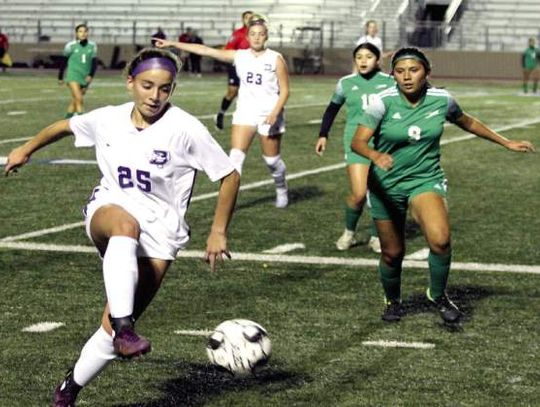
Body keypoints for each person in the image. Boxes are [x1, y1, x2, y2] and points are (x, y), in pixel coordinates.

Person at [4, 47, 240, 406]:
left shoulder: (186, 129)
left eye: (165, 88)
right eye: (147, 85)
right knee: (124, 227)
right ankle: (126, 329)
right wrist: (26, 148)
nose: (155, 96)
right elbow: (64, 126)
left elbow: (229, 176)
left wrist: (218, 230)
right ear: (130, 82)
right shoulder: (109, 118)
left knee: (107, 330)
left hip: (161, 233)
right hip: (108, 210)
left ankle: (68, 391)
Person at [351, 47, 535, 324]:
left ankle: (437, 295)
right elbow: (358, 142)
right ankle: (392, 300)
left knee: (440, 239)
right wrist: (375, 155)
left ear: (427, 72)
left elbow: (467, 121)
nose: (407, 77)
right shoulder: (382, 103)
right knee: (392, 253)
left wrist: (506, 141)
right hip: (385, 186)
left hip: (425, 179)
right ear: (393, 75)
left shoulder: (442, 100)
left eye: (414, 70)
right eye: (400, 72)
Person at [154, 14, 290, 208]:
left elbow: (285, 90)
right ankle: (229, 202)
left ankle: (281, 187)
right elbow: (205, 50)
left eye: (261, 34)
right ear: (248, 37)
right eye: (253, 34)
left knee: (271, 160)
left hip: (269, 114)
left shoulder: (276, 59)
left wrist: (275, 112)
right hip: (245, 113)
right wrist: (172, 44)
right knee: (235, 158)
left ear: (266, 36)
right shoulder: (240, 56)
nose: (257, 37)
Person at [315, 42, 395, 252]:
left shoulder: (391, 82)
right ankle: (349, 232)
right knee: (359, 194)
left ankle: (376, 236)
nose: (363, 61)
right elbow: (331, 109)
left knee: (380, 193)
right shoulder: (345, 83)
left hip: (382, 143)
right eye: (359, 57)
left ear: (378, 60)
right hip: (355, 143)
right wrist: (323, 134)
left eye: (368, 57)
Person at [214, 10, 253, 130]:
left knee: (251, 93)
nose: (249, 19)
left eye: (251, 17)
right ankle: (220, 114)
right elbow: (229, 48)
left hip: (252, 67)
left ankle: (249, 120)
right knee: (232, 91)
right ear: (243, 19)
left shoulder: (256, 32)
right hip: (236, 65)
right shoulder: (238, 34)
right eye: (247, 17)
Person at [58, 24, 98, 118]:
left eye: (85, 31)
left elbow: (94, 63)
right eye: (80, 31)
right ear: (76, 33)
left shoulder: (92, 46)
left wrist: (91, 75)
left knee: (75, 99)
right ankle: (81, 120)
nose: (83, 34)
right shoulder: (70, 46)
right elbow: (63, 62)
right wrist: (60, 77)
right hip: (73, 75)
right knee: (79, 98)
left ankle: (66, 120)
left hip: (85, 76)